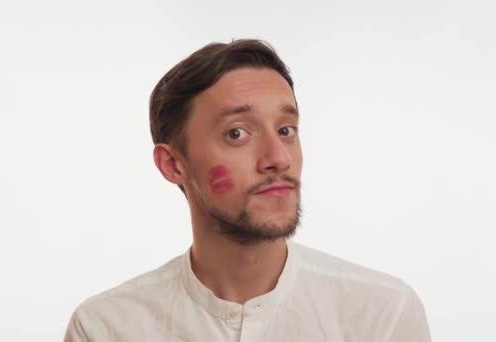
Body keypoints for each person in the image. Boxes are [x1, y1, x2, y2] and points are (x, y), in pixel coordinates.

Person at [63, 39, 431, 342]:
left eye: (286, 130)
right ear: (173, 165)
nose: (278, 158)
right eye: (237, 133)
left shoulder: (381, 316)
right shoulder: (106, 329)